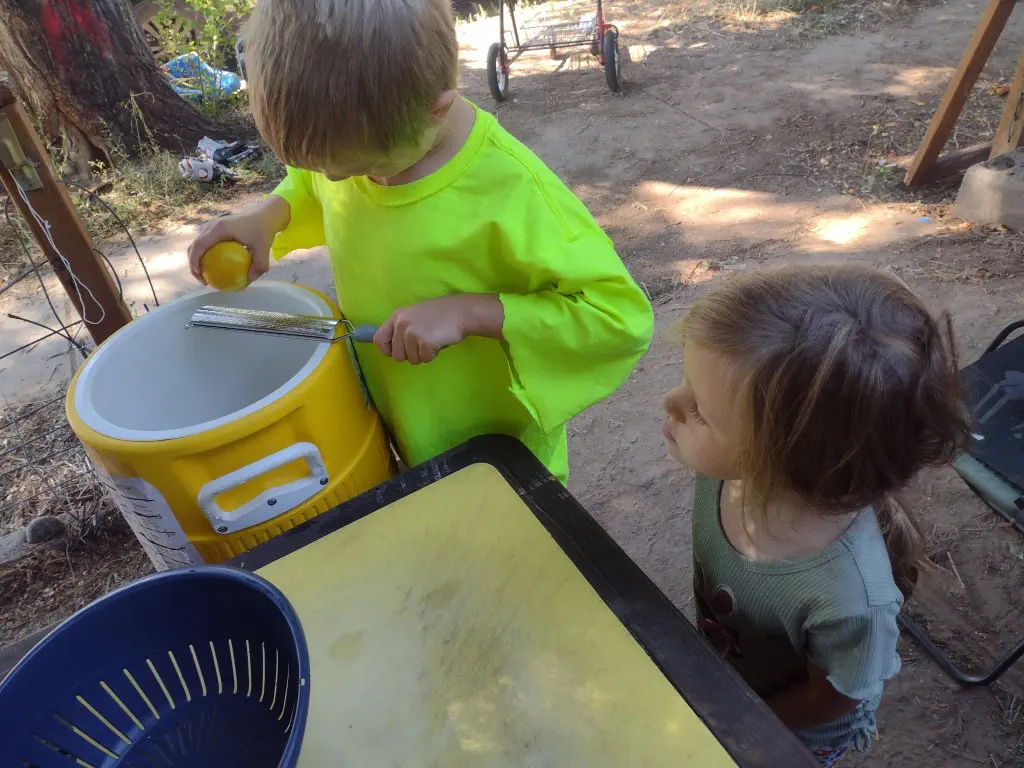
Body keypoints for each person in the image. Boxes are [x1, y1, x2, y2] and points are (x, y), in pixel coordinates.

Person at [187, 0, 653, 482]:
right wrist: (270, 214)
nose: (333, 178)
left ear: (438, 111)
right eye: (325, 168)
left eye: (359, 169)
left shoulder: (513, 192)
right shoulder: (366, 136)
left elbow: (617, 319)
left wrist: (468, 312)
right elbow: (313, 184)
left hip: (494, 455)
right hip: (400, 418)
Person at [660, 264, 970, 765]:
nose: (669, 403)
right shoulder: (730, 473)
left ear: (784, 462)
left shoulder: (850, 599)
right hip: (730, 672)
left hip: (789, 734)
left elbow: (835, 696)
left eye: (699, 410)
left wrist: (735, 715)